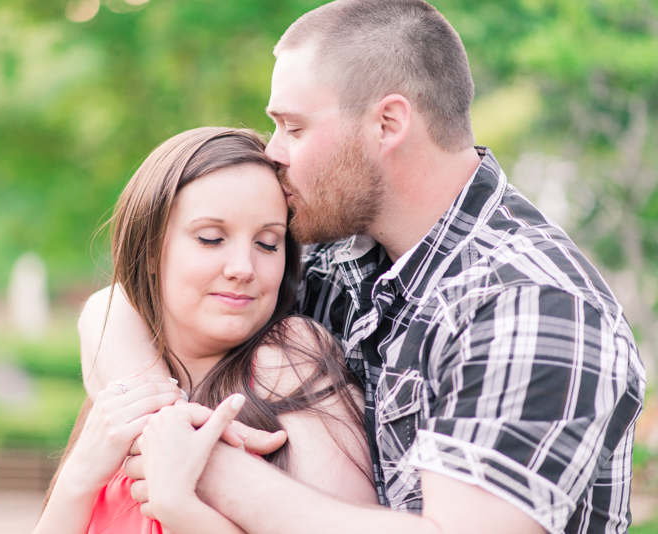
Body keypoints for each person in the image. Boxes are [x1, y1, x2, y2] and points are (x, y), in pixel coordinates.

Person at [79, 1, 646, 533]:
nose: (274, 151)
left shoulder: (528, 303)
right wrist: (162, 417)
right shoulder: (340, 262)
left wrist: (208, 469)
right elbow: (119, 303)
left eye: (294, 127)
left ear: (388, 124)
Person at [34, 127, 378, 534]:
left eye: (268, 244)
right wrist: (78, 478)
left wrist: (185, 510)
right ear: (149, 251)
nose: (243, 268)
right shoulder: (121, 389)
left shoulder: (286, 361)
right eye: (211, 239)